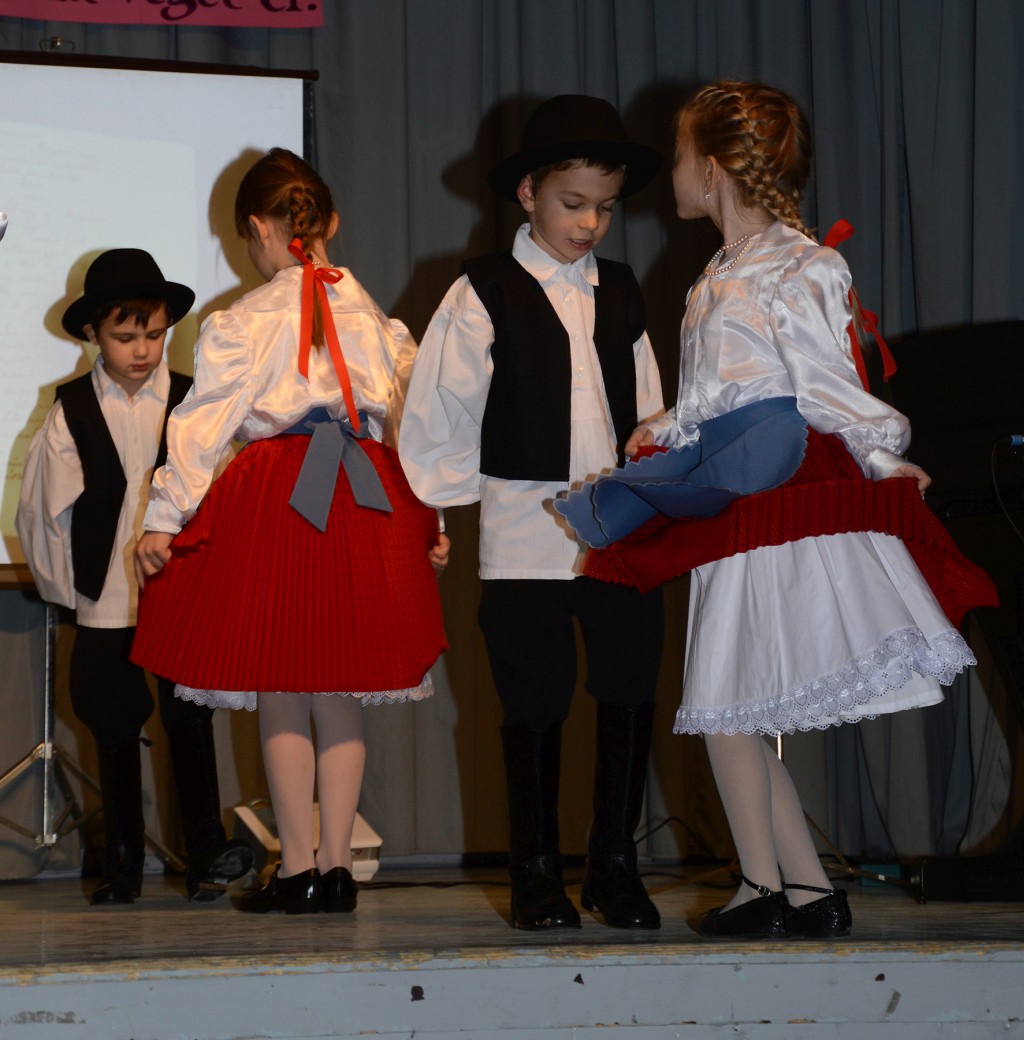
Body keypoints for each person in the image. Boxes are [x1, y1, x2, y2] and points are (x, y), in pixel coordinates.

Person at [556, 81, 998, 939]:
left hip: (775, 488)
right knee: (738, 704)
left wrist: (883, 454)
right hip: (731, 480)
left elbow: (829, 385)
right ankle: (806, 892)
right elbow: (717, 391)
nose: (673, 172)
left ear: (712, 170)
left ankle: (765, 889)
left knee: (727, 698)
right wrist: (667, 425)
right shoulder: (718, 271)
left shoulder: (802, 264)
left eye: (680, 156)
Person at [130, 148, 448, 915]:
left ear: (257, 228)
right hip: (365, 497)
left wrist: (163, 518)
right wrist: (431, 519)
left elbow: (201, 427)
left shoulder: (243, 322)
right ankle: (337, 869)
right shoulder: (377, 321)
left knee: (282, 685)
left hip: (280, 496)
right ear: (328, 223)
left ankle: (297, 868)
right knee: (340, 686)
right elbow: (416, 427)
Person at [399, 95, 666, 931]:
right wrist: (441, 512)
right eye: (572, 203)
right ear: (527, 194)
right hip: (525, 533)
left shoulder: (621, 292)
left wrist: (655, 472)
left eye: (606, 208)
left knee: (629, 688)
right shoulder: (481, 290)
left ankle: (614, 866)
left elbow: (650, 408)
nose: (590, 224)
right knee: (535, 700)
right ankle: (537, 874)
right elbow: (440, 411)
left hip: (621, 528)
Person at [17, 248, 255, 905]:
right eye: (126, 337)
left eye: (154, 334)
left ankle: (205, 851)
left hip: (181, 593)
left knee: (190, 718)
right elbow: (44, 511)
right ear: (93, 334)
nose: (143, 350)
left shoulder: (190, 401)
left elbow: (224, 489)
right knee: (114, 722)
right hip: (106, 600)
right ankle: (121, 860)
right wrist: (71, 591)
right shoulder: (71, 410)